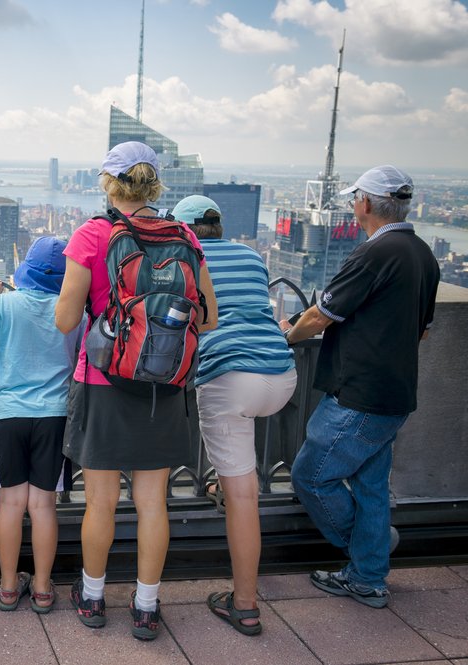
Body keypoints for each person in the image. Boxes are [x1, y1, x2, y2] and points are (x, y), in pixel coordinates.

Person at [55, 142, 218, 640]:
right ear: (154, 184)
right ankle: (146, 606)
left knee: (100, 501)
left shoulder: (93, 234)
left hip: (104, 381)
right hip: (164, 385)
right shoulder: (184, 234)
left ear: (108, 182)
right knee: (153, 503)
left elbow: (64, 318)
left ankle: (93, 595)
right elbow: (208, 318)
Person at [282, 165, 439, 608]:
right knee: (370, 484)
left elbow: (320, 316)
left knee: (310, 475)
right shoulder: (422, 254)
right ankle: (368, 578)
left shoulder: (375, 253)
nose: (354, 206)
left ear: (365, 204)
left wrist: (284, 336)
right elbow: (422, 330)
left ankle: (369, 551)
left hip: (359, 394)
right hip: (396, 392)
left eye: (355, 199)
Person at [172, 195, 296, 636]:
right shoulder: (250, 255)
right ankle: (224, 483)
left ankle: (244, 604)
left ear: (184, 229)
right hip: (281, 374)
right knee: (238, 473)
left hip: (230, 376)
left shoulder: (186, 259)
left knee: (245, 497)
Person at [0, 237, 80, 614]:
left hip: (9, 414)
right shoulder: (72, 311)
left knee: (11, 503)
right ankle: (44, 589)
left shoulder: (4, 304)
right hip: (54, 414)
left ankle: (10, 586)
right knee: (44, 504)